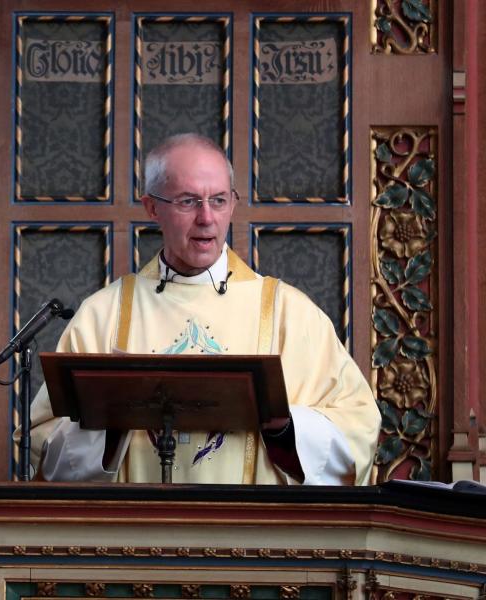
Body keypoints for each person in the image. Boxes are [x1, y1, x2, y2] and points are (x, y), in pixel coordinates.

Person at [26, 133, 379, 485]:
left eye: (219, 200)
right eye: (188, 201)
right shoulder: (104, 316)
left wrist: (285, 429)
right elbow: (45, 448)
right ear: (152, 207)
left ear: (234, 204)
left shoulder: (289, 314)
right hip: (136, 536)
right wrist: (110, 429)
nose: (207, 218)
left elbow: (359, 429)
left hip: (251, 535)